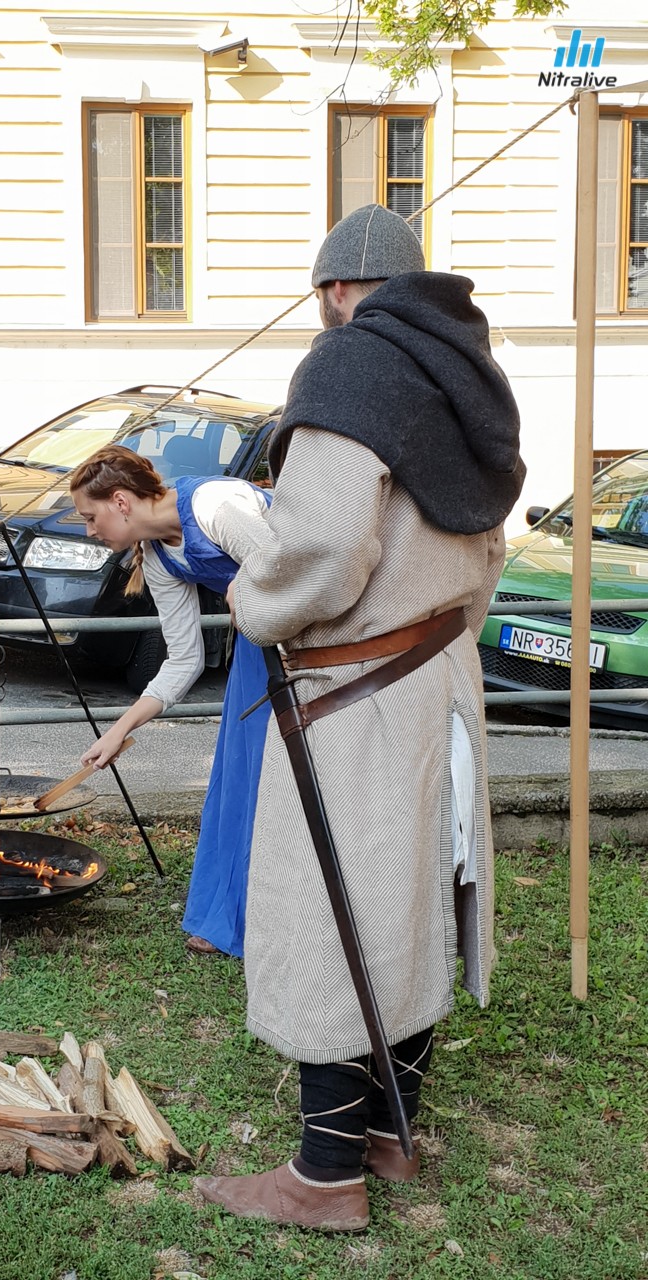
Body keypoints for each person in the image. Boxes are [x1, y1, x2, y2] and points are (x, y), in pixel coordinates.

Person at [193, 204, 525, 1232]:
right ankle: (390, 1130)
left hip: (358, 696)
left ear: (337, 290)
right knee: (410, 900)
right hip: (440, 680)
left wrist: (254, 600)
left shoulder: (347, 372)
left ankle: (325, 1174)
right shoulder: (467, 374)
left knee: (332, 916)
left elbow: (328, 543)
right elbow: (485, 549)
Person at [68, 445, 271, 957]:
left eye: (91, 518)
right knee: (241, 783)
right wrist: (119, 730)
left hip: (313, 639)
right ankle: (231, 921)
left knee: (294, 784)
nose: (90, 530)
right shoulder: (158, 555)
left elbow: (290, 568)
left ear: (120, 502)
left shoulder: (216, 506)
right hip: (257, 649)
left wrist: (243, 596)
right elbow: (184, 660)